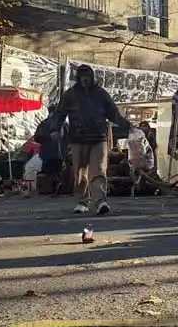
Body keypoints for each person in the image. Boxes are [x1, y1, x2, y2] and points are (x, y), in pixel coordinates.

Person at [52, 64, 131, 215]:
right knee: (80, 172)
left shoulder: (101, 94)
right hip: (78, 138)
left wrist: (128, 126)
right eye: (81, 76)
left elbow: (113, 113)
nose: (85, 79)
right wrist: (55, 129)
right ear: (78, 78)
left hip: (99, 138)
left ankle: (100, 201)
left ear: (92, 77)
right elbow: (60, 113)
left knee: (99, 170)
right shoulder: (70, 95)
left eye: (87, 76)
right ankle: (82, 201)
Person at [34, 105, 66, 194]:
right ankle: (57, 189)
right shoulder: (63, 124)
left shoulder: (44, 123)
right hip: (60, 152)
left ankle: (58, 182)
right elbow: (68, 137)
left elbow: (36, 137)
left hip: (47, 151)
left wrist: (45, 138)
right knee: (57, 170)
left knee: (48, 170)